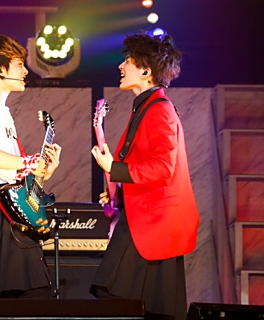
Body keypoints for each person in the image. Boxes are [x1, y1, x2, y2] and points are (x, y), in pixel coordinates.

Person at [90, 31, 200, 320]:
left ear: (146, 71)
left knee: (130, 301)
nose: (121, 66)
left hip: (155, 224)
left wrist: (114, 168)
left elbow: (164, 167)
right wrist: (118, 193)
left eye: (128, 61)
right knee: (129, 302)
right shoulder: (145, 107)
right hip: (143, 220)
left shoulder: (160, 111)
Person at [0, 35, 62, 312]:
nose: (26, 71)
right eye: (19, 64)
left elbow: (8, 170)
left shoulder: (0, 109)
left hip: (8, 209)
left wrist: (42, 173)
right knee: (27, 301)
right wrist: (29, 163)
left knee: (20, 303)